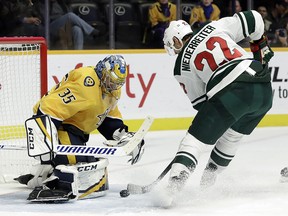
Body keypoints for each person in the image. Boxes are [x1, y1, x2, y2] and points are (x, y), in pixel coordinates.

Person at [162, 10, 274, 203]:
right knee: (232, 136)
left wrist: (215, 122)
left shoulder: (181, 65)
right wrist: (259, 44)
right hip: (263, 88)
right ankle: (209, 182)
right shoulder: (214, 27)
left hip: (231, 90)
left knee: (194, 140)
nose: (174, 50)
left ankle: (176, 180)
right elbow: (254, 18)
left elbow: (201, 104)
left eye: (173, 45)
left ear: (178, 41)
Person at [15, 55, 145, 202]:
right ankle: (51, 182)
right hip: (61, 128)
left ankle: (41, 175)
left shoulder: (112, 90)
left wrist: (122, 135)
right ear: (103, 72)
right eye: (111, 81)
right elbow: (47, 108)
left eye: (118, 83)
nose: (113, 86)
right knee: (75, 167)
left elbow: (106, 116)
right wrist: (46, 139)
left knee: (88, 165)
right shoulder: (85, 84)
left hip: (77, 132)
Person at [35, 0, 101, 49]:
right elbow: (44, 19)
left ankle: (79, 53)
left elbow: (68, 13)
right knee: (70, 15)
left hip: (65, 26)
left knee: (77, 29)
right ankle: (92, 31)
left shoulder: (61, 3)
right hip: (50, 27)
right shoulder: (43, 3)